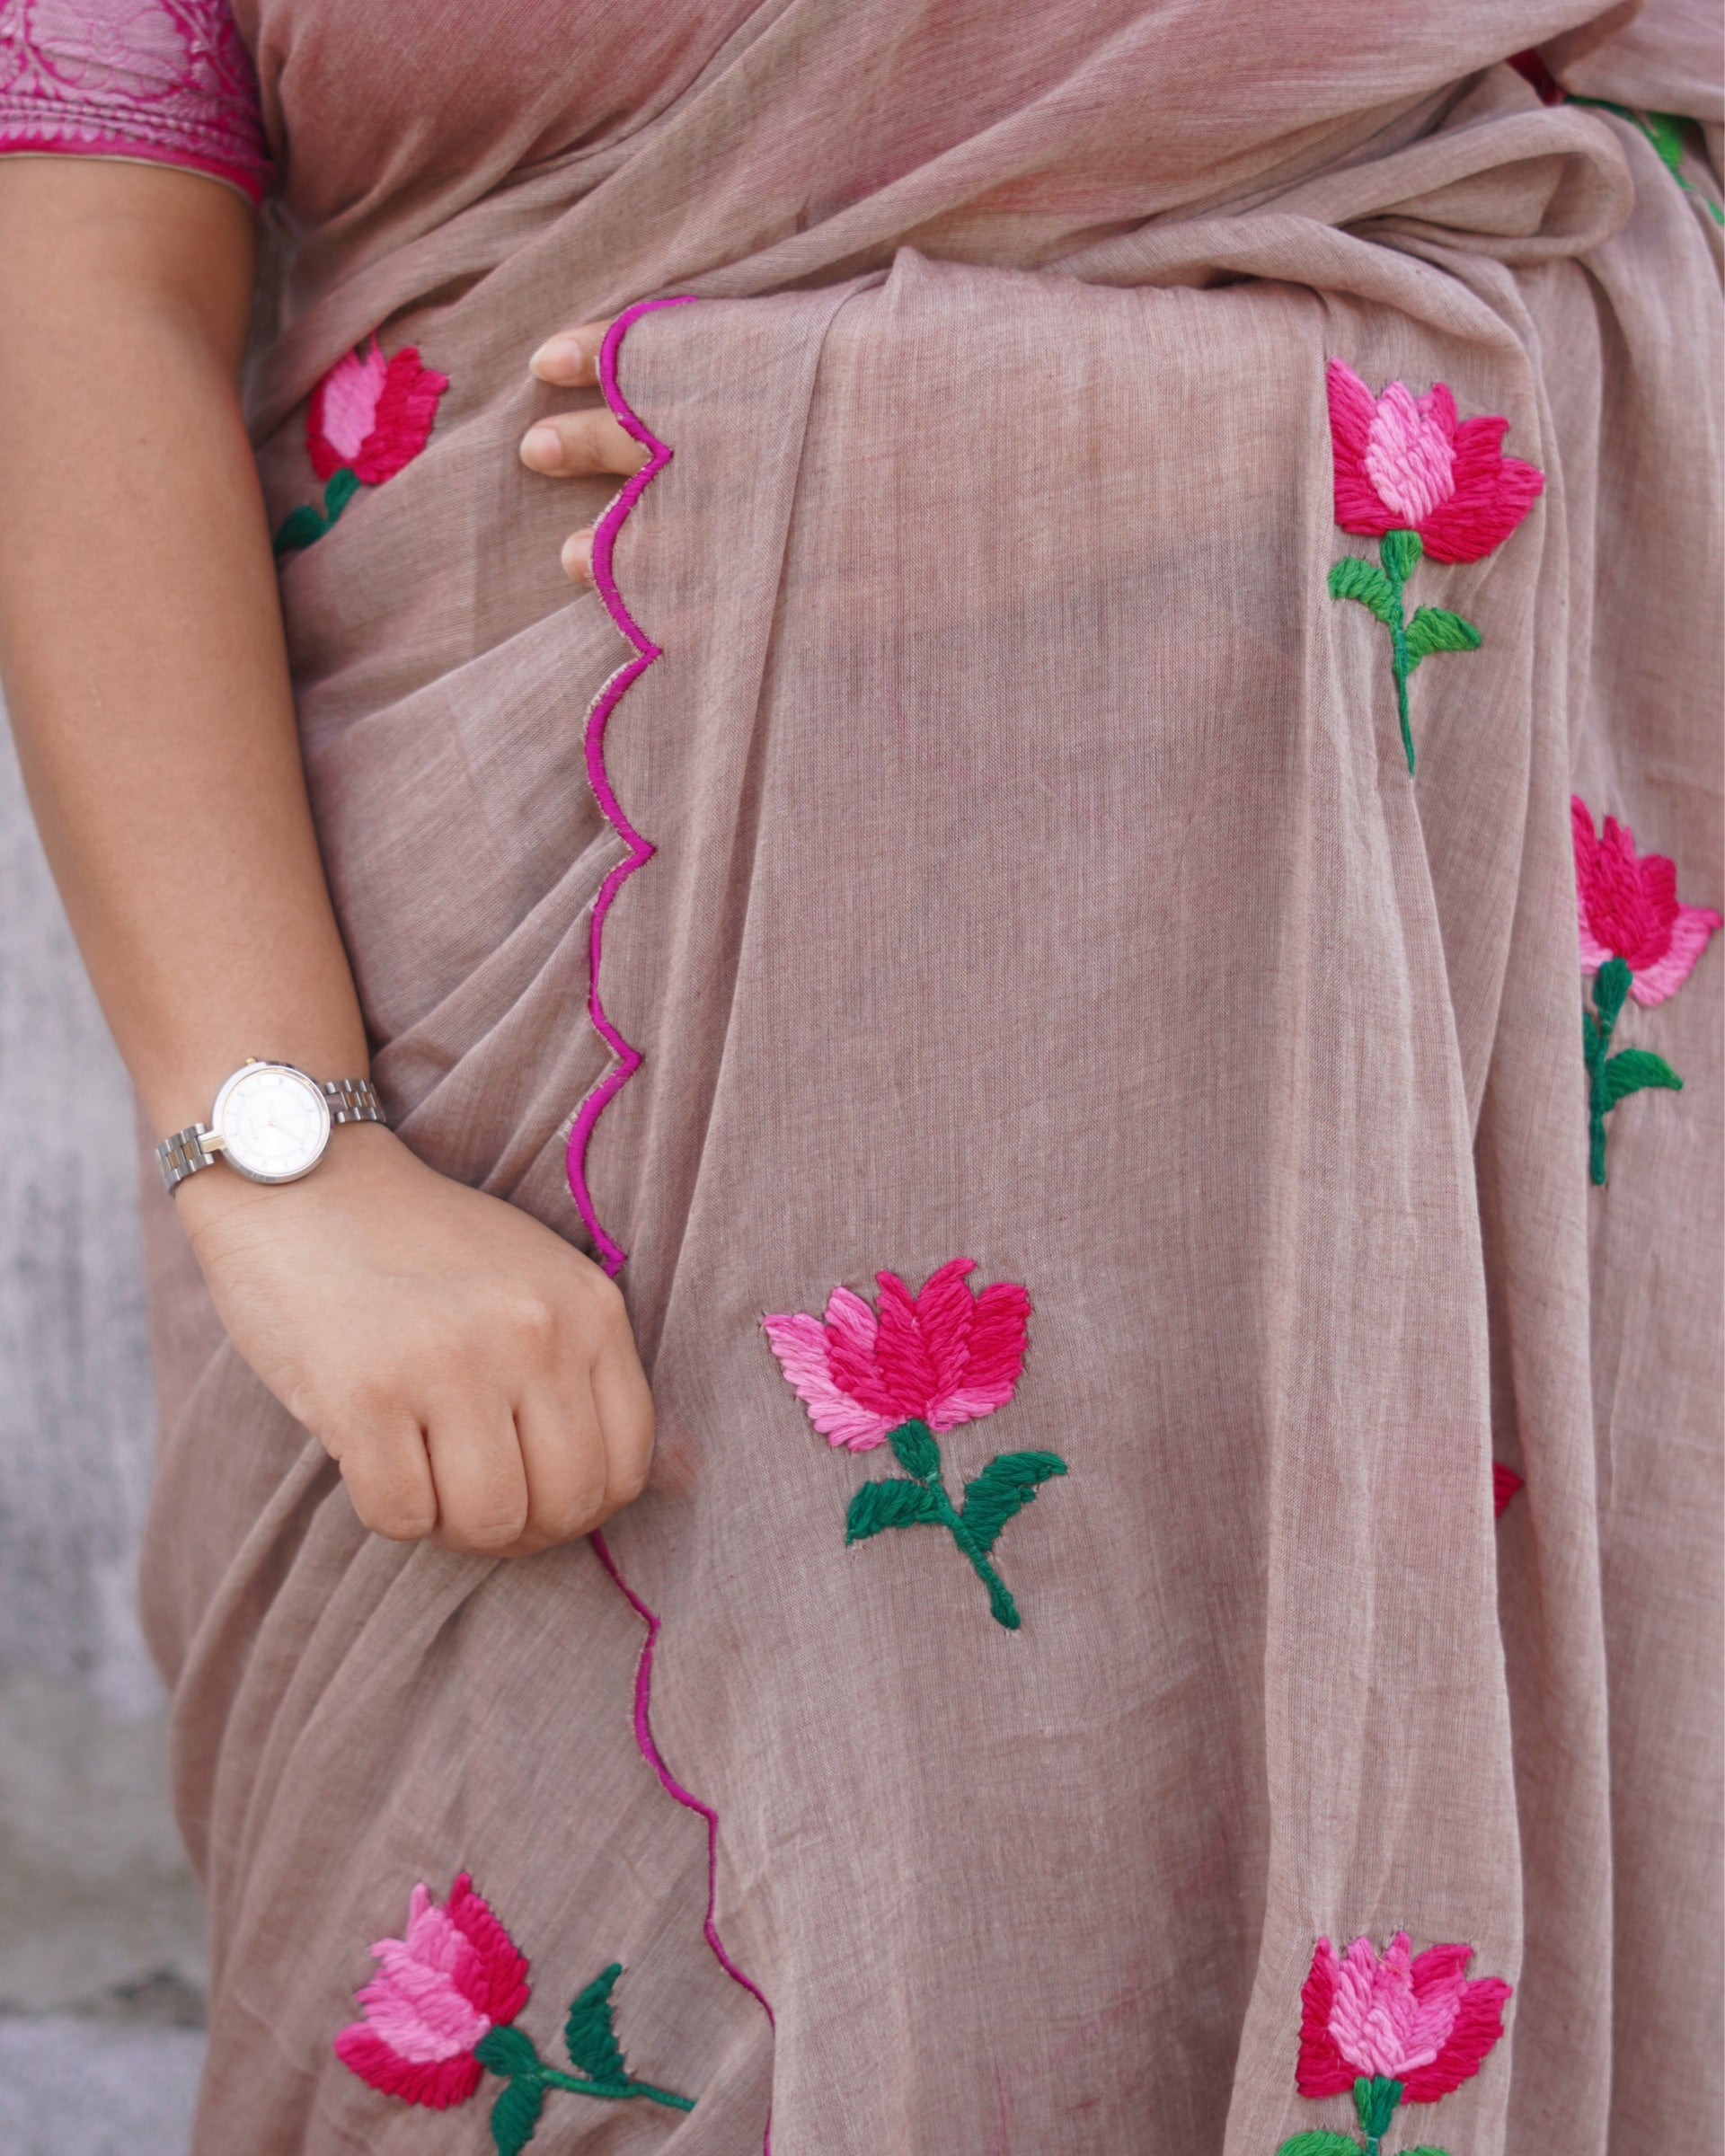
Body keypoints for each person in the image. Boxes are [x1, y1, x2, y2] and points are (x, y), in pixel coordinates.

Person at [0, 3, 1719, 2150]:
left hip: (1326, 1083)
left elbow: (1642, 166)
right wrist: (285, 1163)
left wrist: (1072, 451)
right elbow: (73, 298)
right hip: (482, 1123)